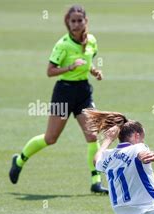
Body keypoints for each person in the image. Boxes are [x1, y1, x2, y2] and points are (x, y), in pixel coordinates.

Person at [8, 5, 108, 194]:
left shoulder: (92, 41)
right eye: (73, 21)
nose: (76, 24)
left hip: (83, 92)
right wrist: (69, 67)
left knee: (92, 135)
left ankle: (96, 181)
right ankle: (20, 159)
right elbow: (50, 71)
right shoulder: (62, 44)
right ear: (67, 23)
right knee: (51, 138)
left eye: (80, 20)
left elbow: (88, 61)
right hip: (64, 93)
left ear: (85, 21)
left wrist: (94, 71)